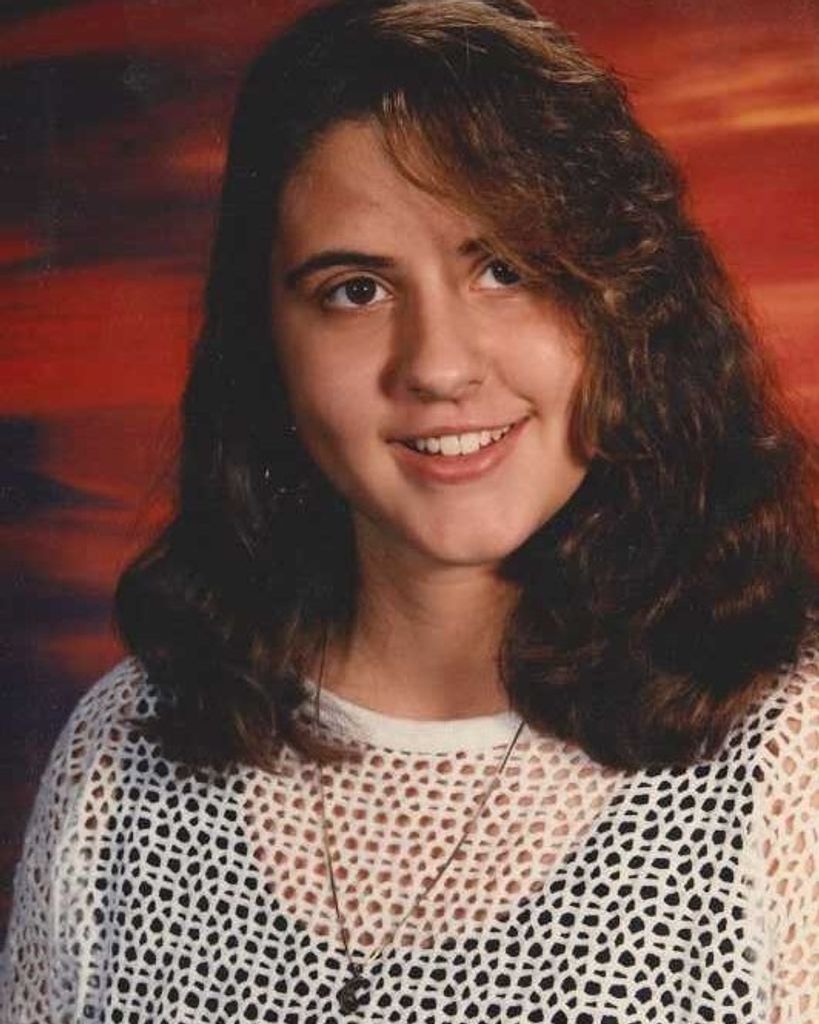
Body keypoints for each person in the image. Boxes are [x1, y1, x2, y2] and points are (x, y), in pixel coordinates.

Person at [3, 0, 818, 1020]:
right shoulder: (122, 753)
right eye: (356, 290)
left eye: (505, 270)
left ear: (626, 305)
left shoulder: (793, 758)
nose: (436, 366)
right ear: (267, 343)